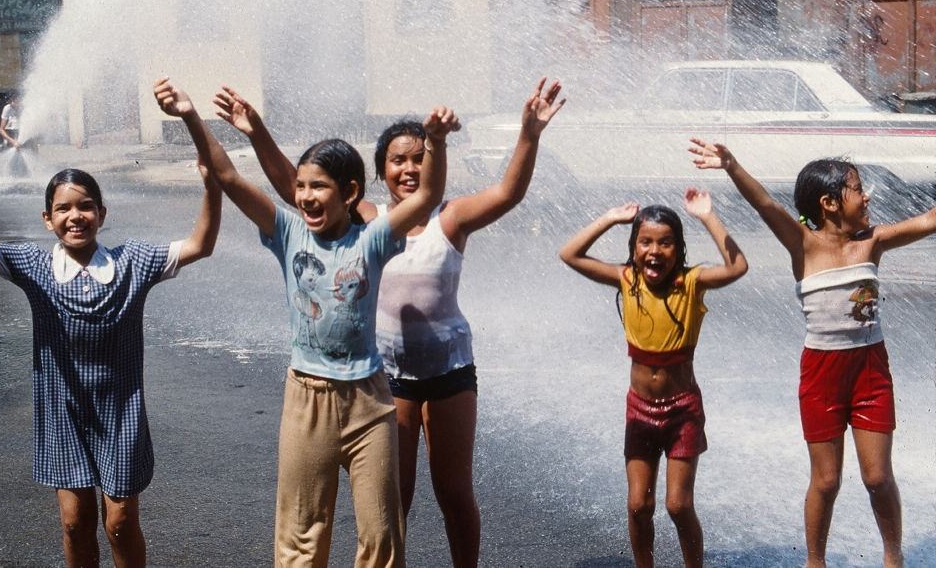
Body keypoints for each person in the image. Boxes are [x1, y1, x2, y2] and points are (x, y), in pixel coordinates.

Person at [207, 77, 564, 567]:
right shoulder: (368, 222)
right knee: (393, 500)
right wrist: (257, 132)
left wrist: (530, 133)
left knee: (455, 493)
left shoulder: (450, 218)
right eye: (398, 160)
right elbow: (298, 189)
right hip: (386, 377)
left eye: (419, 157)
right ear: (378, 173)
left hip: (449, 372)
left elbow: (507, 192)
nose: (410, 168)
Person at [154, 76, 460, 568]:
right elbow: (230, 178)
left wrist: (437, 143)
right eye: (300, 186)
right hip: (306, 399)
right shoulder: (287, 230)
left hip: (369, 403)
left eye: (318, 186)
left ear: (350, 192)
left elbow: (426, 198)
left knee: (381, 538)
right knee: (300, 536)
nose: (306, 197)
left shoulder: (373, 239)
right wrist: (191, 116)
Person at [0, 130, 222, 567]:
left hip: (120, 412)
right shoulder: (35, 266)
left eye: (85, 206)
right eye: (63, 208)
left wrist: (212, 186)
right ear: (47, 219)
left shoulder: (133, 262)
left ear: (102, 213)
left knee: (120, 521)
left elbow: (201, 244)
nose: (75, 216)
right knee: (74, 521)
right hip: (62, 411)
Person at [689, 138, 936, 568]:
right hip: (821, 376)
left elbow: (931, 219)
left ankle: (893, 557)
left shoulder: (873, 242)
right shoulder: (802, 244)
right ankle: (815, 561)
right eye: (858, 189)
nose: (868, 196)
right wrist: (731, 165)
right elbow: (765, 204)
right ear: (829, 202)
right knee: (826, 480)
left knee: (877, 477)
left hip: (871, 372)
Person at [558, 190, 748, 568]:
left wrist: (708, 216)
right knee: (638, 504)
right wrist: (611, 218)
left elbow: (737, 266)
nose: (655, 251)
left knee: (678, 505)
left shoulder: (691, 283)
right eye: (645, 242)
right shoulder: (626, 279)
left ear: (678, 250)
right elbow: (570, 254)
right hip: (640, 409)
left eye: (665, 243)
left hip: (683, 411)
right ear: (634, 246)